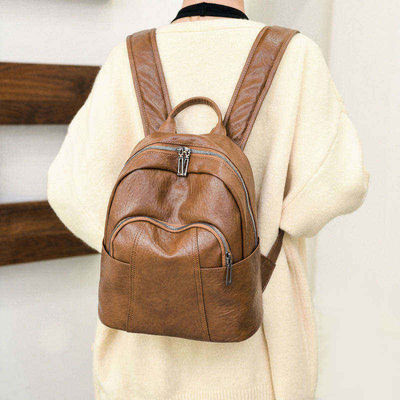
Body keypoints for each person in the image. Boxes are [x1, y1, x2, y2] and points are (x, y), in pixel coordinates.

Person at [48, 1, 369, 399]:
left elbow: (69, 190)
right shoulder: (294, 54)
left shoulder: (128, 57)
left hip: (139, 358)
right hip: (254, 350)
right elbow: (340, 184)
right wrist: (261, 230)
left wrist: (152, 255)